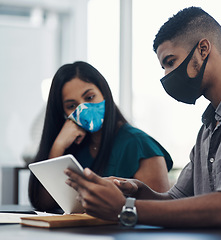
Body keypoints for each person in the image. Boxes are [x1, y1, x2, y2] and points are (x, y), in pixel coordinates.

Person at [64, 7, 221, 234]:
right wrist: (136, 190)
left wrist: (126, 209)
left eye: (170, 62)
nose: (166, 76)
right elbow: (176, 200)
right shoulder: (209, 128)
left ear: (203, 49)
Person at [28, 61, 173, 212]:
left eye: (90, 97)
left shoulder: (139, 144)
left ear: (104, 93)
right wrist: (58, 145)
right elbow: (45, 203)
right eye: (72, 106)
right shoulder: (74, 146)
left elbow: (160, 212)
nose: (83, 108)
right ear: (63, 113)